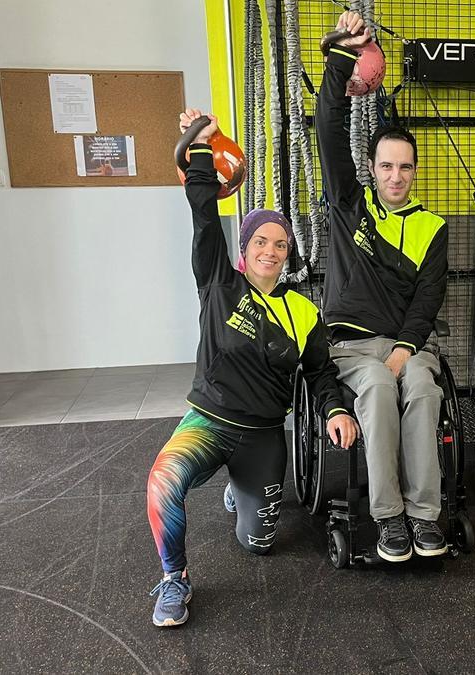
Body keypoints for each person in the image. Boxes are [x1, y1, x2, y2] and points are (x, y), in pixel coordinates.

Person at [145, 109, 358, 626]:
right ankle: (175, 579)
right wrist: (199, 144)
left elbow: (321, 373)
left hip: (263, 433)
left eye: (279, 244)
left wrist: (335, 410)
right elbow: (201, 210)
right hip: (209, 422)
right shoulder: (220, 281)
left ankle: (238, 489)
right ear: (243, 250)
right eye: (260, 241)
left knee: (259, 543)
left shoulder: (303, 310)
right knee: (162, 484)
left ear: (288, 255)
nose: (270, 249)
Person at [315, 11, 451, 562]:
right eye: (387, 166)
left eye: (406, 167)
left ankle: (424, 517)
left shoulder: (432, 228)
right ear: (370, 168)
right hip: (351, 348)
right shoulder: (351, 206)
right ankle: (388, 518)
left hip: (410, 344)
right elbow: (328, 124)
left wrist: (404, 347)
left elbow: (428, 298)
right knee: (374, 388)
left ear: (415, 172)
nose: (396, 176)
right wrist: (344, 56)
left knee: (421, 389)